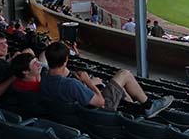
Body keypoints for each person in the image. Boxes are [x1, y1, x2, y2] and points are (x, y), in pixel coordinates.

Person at [40, 42, 173, 117]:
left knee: (114, 86)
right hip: (99, 113)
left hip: (77, 112)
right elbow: (100, 102)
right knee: (124, 74)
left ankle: (135, 108)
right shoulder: (70, 84)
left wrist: (91, 82)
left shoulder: (44, 78)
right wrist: (87, 81)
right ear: (65, 61)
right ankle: (149, 106)